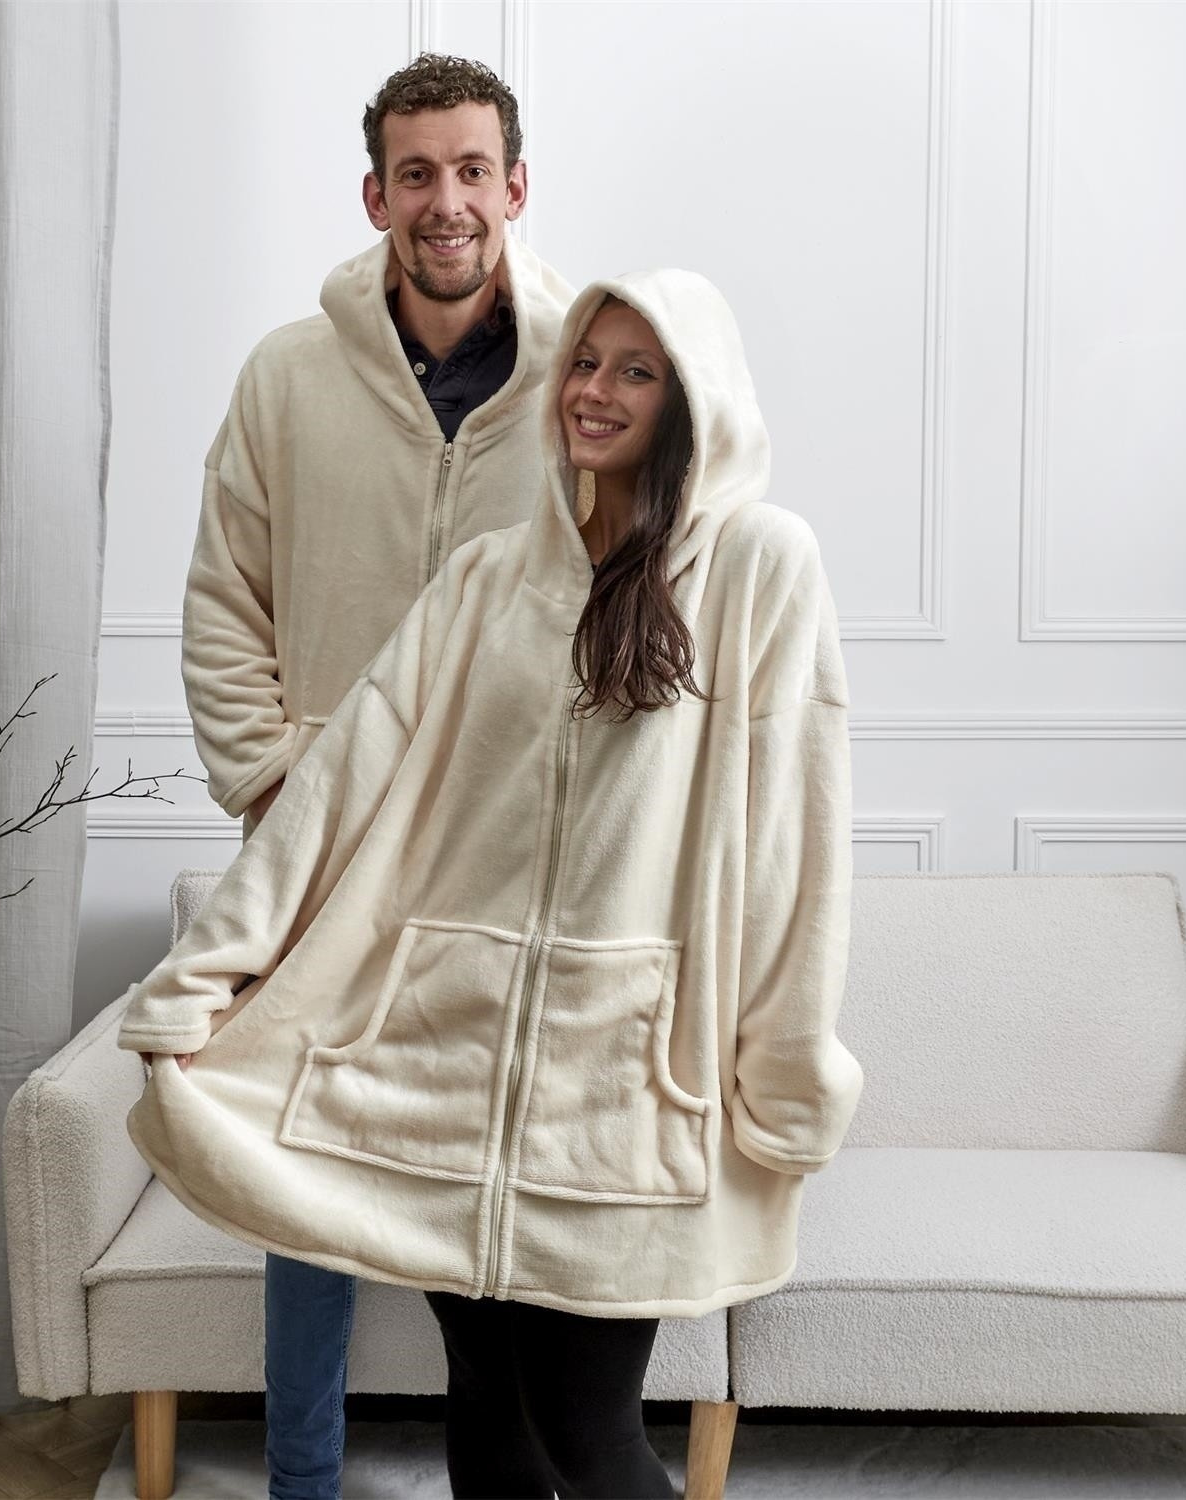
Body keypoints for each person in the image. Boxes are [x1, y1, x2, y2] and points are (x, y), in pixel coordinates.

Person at [120, 269, 864, 1499]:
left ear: (692, 400)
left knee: (587, 1427)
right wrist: (205, 975)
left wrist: (784, 1071)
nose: (596, 391)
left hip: (620, 1081)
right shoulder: (487, 579)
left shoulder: (761, 567)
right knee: (488, 1397)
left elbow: (796, 843)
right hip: (444, 1057)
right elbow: (342, 787)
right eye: (587, 363)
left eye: (637, 371)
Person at [154, 52, 572, 1500]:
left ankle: (507, 1478)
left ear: (516, 185)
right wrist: (280, 798)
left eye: (472, 171)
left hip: (509, 849)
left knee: (497, 1171)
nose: (446, 201)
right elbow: (223, 605)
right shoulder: (287, 376)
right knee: (303, 1167)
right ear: (376, 194)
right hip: (319, 850)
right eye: (417, 173)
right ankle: (303, 1481)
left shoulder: (587, 378)